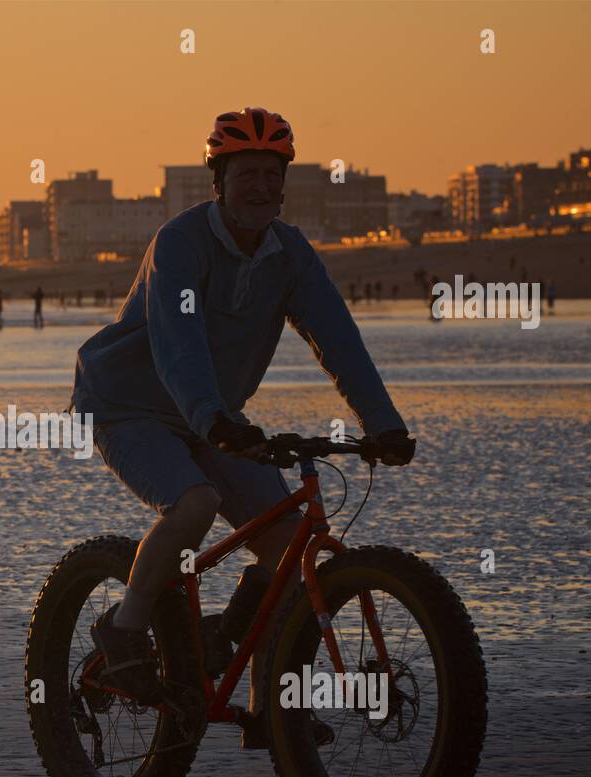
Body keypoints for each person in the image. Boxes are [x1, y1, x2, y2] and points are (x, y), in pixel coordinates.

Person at [70, 106, 414, 735]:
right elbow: (179, 344)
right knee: (195, 503)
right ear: (218, 181)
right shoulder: (179, 242)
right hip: (129, 406)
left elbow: (337, 338)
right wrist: (214, 420)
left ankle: (268, 701)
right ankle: (122, 629)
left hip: (214, 416)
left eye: (271, 173)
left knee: (287, 542)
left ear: (285, 182)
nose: (260, 185)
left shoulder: (291, 253)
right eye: (246, 172)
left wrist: (383, 423)